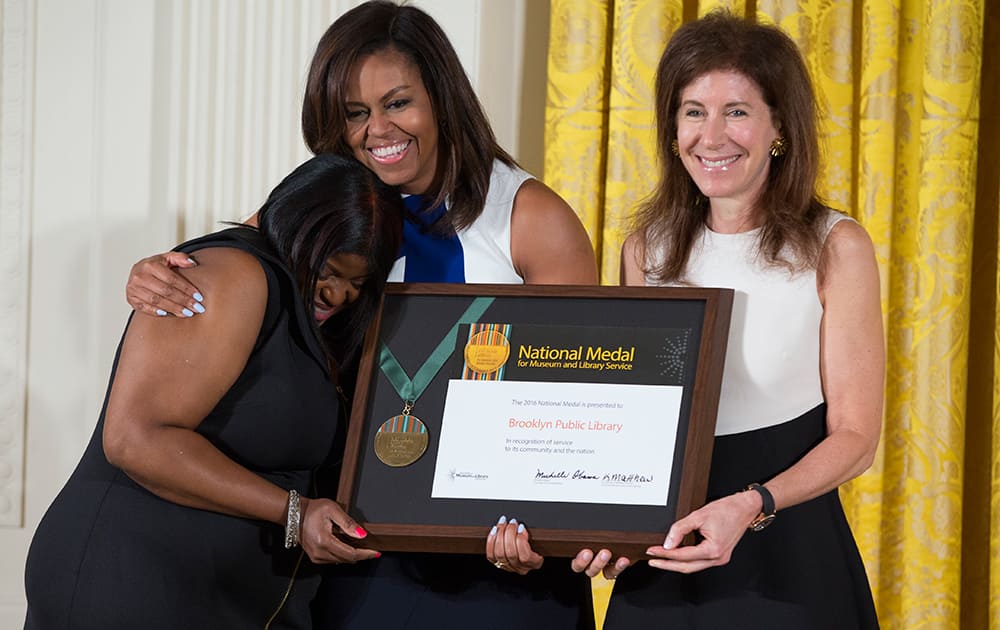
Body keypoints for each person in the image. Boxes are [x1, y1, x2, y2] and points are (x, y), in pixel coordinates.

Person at [122, 2, 603, 629]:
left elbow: (576, 400)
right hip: (351, 544)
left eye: (398, 102)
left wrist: (542, 530)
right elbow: (224, 269)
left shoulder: (532, 218)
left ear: (442, 98)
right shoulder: (319, 213)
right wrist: (153, 273)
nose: (378, 128)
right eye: (355, 112)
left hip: (499, 556)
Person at [23, 154, 403, 629]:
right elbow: (135, 439)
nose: (339, 295)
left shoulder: (302, 310)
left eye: (357, 283)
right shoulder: (233, 276)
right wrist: (294, 513)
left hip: (210, 592)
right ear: (295, 229)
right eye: (328, 271)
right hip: (135, 582)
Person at [592, 11, 883, 629]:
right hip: (665, 561)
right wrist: (601, 526)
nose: (712, 134)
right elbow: (635, 420)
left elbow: (856, 438)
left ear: (780, 127)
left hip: (788, 559)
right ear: (673, 130)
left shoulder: (837, 245)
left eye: (738, 111)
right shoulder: (646, 248)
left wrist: (751, 506)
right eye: (693, 111)